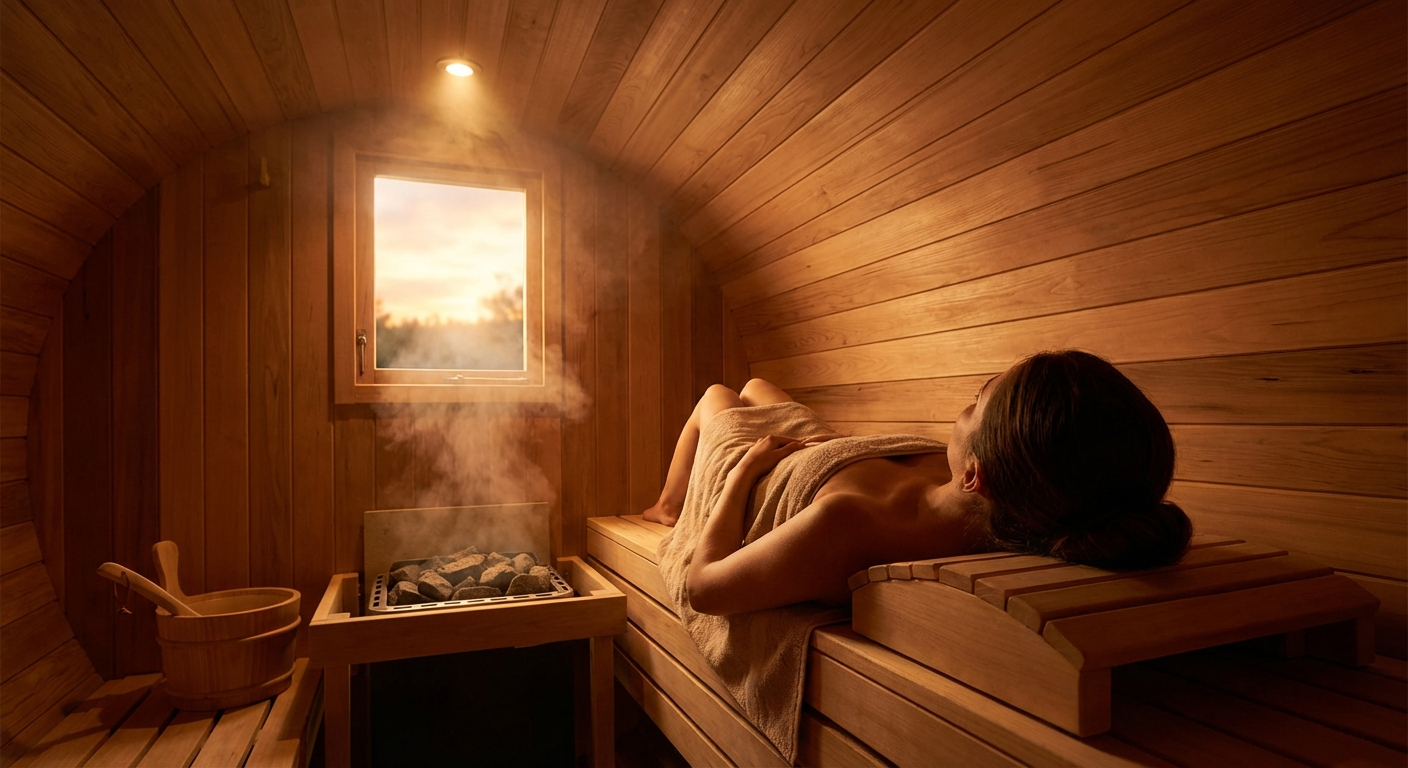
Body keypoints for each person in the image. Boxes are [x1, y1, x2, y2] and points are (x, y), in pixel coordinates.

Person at [643, 350, 1192, 616]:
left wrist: (743, 472)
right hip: (823, 449)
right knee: (758, 384)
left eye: (975, 403)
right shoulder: (1017, 502)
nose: (964, 409)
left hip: (769, 470)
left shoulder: (849, 524)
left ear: (974, 473)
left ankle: (668, 507)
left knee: (718, 395)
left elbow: (705, 590)